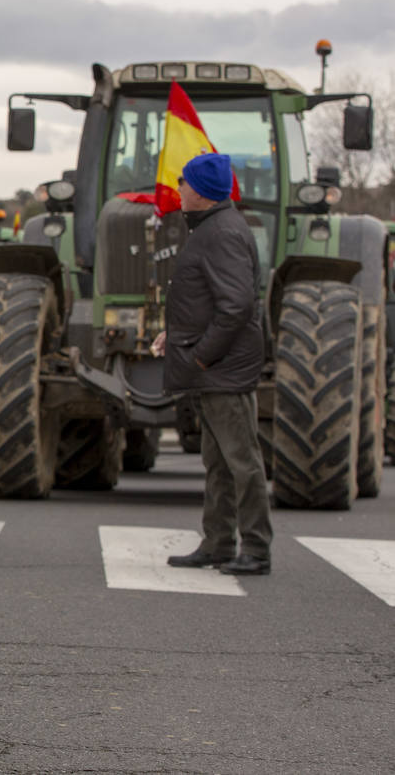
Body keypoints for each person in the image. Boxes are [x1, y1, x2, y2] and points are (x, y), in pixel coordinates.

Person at [158, 153, 272, 576]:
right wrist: (176, 335)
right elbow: (214, 302)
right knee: (219, 462)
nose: (179, 188)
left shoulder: (220, 233)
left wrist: (203, 354)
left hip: (222, 369)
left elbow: (236, 305)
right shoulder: (214, 228)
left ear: (202, 192)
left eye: (183, 182)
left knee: (242, 462)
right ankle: (219, 543)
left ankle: (256, 549)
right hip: (216, 368)